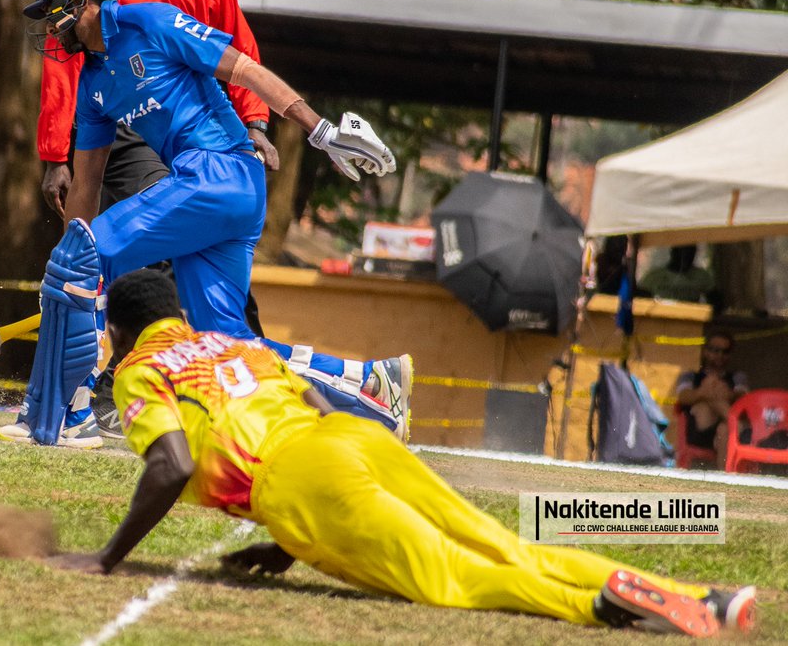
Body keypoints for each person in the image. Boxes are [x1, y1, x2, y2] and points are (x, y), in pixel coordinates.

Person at [50, 268, 757, 637]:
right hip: (354, 437)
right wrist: (291, 543)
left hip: (299, 480)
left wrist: (105, 558)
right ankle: (708, 601)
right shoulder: (235, 343)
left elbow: (170, 463)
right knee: (505, 543)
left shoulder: (143, 366)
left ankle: (608, 604)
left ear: (118, 327)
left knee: (456, 577)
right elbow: (317, 406)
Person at [0, 0, 411, 449]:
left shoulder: (147, 20)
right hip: (209, 190)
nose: (47, 26)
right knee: (229, 347)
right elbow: (86, 185)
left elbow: (246, 71)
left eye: (51, 11)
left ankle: (67, 413)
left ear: (81, 2)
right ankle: (369, 387)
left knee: (89, 255)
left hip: (222, 172)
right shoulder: (91, 83)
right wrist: (66, 272)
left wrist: (318, 128)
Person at [38, 0, 276, 435]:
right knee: (142, 249)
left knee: (201, 266)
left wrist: (255, 120)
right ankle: (122, 380)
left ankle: (215, 373)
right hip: (122, 126)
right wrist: (54, 151)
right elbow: (64, 60)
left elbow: (233, 40)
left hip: (206, 124)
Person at [676, 331, 749, 466]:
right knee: (706, 402)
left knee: (724, 430)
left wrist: (728, 394)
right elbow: (683, 397)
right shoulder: (690, 376)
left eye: (725, 351)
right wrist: (704, 392)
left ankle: (723, 478)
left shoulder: (737, 378)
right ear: (705, 351)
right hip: (700, 430)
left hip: (726, 430)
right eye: (715, 350)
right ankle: (735, 423)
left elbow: (744, 401)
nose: (720, 355)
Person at [638, 244, 714, 304]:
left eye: (690, 252)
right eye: (682, 251)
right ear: (674, 252)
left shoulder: (701, 276)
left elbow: (716, 300)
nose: (686, 256)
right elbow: (640, 298)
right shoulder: (655, 276)